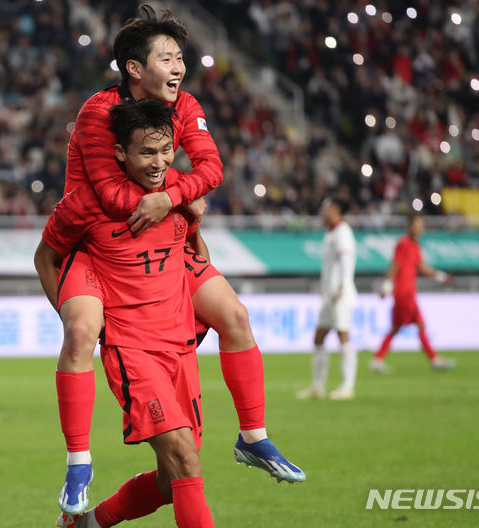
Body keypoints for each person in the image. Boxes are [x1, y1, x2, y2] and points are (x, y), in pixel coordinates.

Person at [50, 4, 304, 515]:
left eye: (181, 57)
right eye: (166, 58)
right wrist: (178, 194)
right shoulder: (100, 113)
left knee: (235, 317)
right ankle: (79, 461)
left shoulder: (183, 106)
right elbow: (113, 195)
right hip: (104, 251)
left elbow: (211, 168)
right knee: (80, 335)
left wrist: (174, 196)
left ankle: (253, 435)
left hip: (165, 245)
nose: (179, 67)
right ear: (134, 69)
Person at [37, 99, 214, 527]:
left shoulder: (177, 195)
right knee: (185, 459)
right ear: (120, 153)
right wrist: (74, 315)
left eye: (166, 150)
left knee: (174, 480)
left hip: (180, 351)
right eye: (146, 152)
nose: (159, 162)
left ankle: (88, 523)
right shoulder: (88, 203)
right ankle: (79, 464)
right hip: (132, 350)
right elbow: (47, 259)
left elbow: (195, 259)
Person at [370, 213, 455, 372]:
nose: (420, 228)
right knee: (420, 325)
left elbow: (423, 267)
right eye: (417, 224)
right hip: (404, 293)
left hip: (407, 293)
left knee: (396, 328)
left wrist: (442, 277)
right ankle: (434, 359)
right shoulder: (403, 244)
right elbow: (395, 266)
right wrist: (387, 286)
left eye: (421, 225)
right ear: (409, 226)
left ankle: (377, 359)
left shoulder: (415, 246)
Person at [297, 198, 358, 400]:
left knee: (343, 337)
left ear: (335, 211)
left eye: (326, 209)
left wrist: (343, 285)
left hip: (340, 294)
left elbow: (346, 260)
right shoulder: (331, 233)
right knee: (319, 338)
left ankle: (347, 386)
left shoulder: (343, 233)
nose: (323, 213)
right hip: (330, 296)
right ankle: (318, 386)